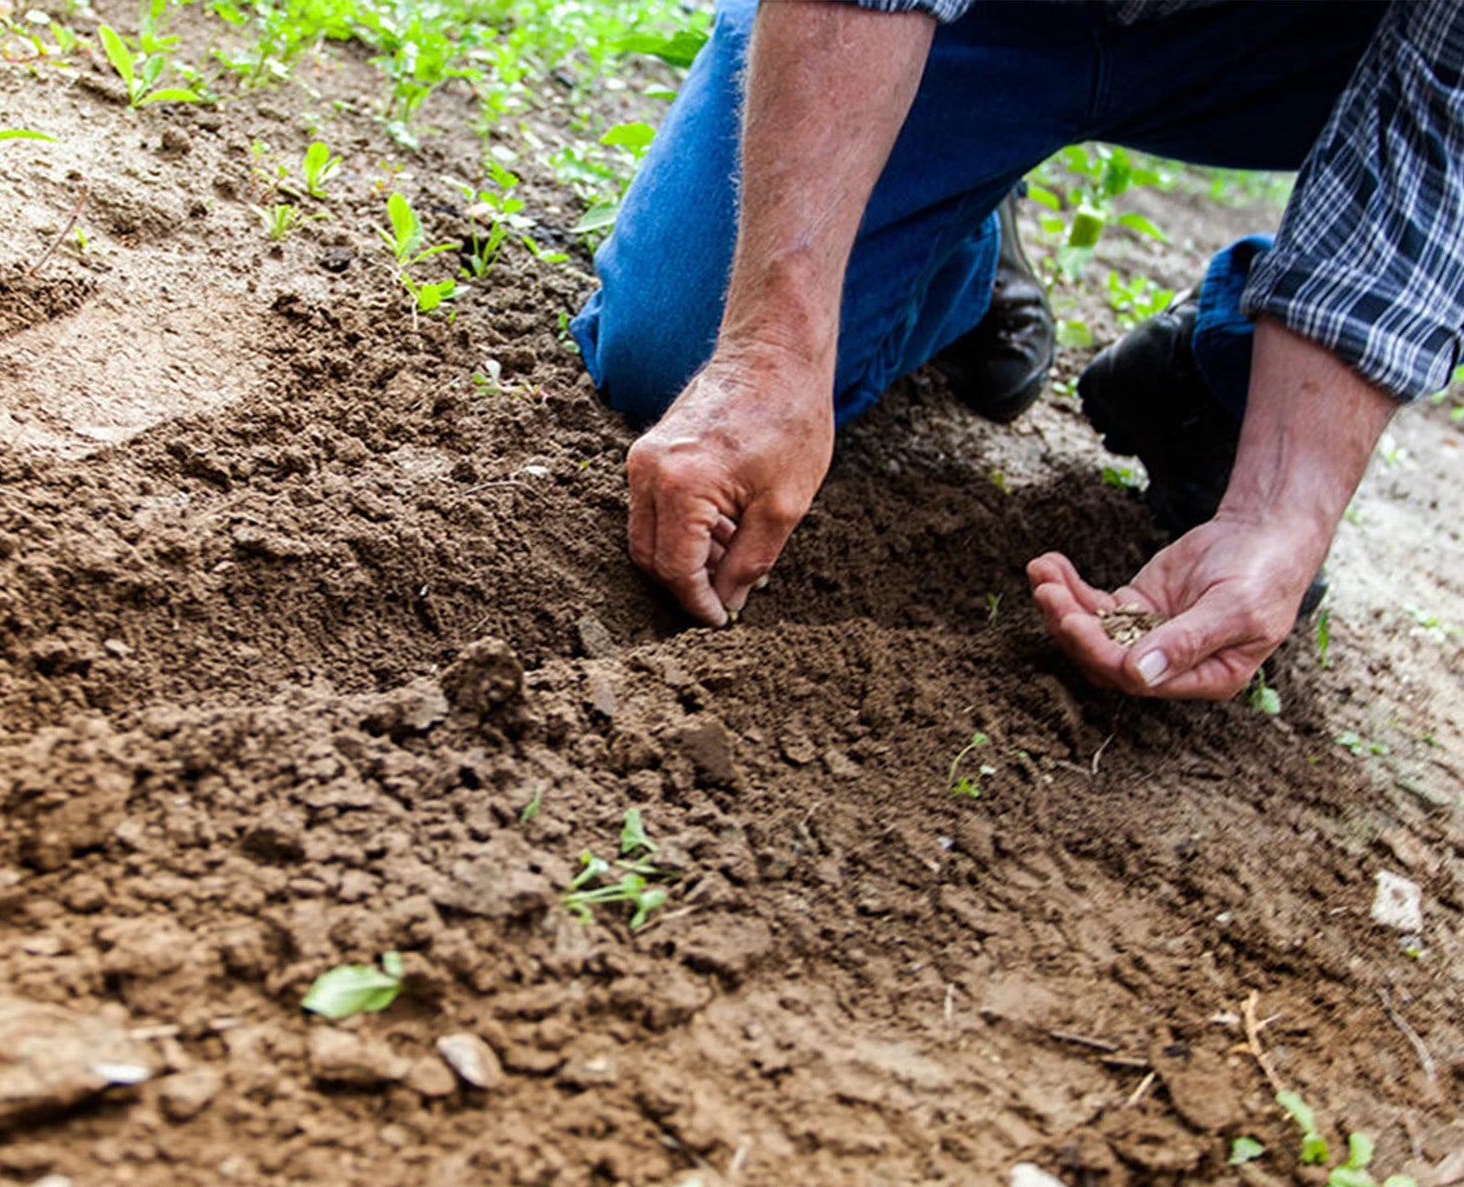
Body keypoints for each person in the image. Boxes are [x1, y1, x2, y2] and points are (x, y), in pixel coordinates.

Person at [569, 0, 1461, 701]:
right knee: (674, 352)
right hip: (991, 13)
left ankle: (1226, 366)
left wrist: (1279, 510)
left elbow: (1438, 129)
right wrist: (770, 349)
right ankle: (957, 227)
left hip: (1297, 41)